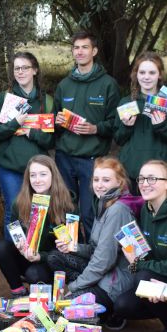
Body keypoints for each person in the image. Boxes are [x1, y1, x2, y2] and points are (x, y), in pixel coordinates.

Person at [111, 160, 167, 332]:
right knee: (123, 306)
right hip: (155, 274)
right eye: (141, 178)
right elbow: (149, 252)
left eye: (152, 178)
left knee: (143, 277)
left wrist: (138, 264)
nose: (144, 183)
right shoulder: (148, 209)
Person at [48, 156, 135, 319]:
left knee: (62, 311)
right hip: (102, 273)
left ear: (119, 183)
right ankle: (88, 293)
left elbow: (104, 260)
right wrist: (74, 248)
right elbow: (97, 249)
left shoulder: (118, 210)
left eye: (106, 180)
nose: (100, 185)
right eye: (96, 179)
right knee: (55, 257)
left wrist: (74, 287)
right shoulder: (104, 203)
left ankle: (109, 312)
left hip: (114, 282)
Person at [54, 31, 120, 237]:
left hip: (92, 159)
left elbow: (116, 123)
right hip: (64, 157)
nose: (80, 52)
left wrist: (96, 128)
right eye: (76, 48)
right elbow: (54, 120)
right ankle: (71, 256)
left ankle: (95, 259)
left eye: (84, 47)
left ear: (94, 51)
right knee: (66, 210)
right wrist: (56, 122)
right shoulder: (64, 85)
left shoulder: (108, 84)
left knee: (90, 212)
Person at [0, 154, 76, 297]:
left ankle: (50, 293)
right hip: (27, 256)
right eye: (33, 175)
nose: (37, 180)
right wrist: (21, 245)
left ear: (53, 175)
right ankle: (18, 291)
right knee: (1, 247)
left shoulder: (67, 205)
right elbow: (14, 228)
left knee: (34, 274)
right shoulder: (20, 202)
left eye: (43, 174)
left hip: (52, 261)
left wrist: (41, 257)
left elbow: (72, 249)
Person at [0, 52, 54, 232]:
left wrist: (30, 132)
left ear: (34, 70)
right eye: (16, 68)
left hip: (38, 171)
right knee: (13, 211)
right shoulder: (4, 99)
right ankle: (12, 256)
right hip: (10, 168)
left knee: (38, 212)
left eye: (25, 67)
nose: (20, 72)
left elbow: (50, 141)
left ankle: (33, 255)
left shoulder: (47, 102)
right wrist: (14, 124)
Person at [114, 52, 167, 191]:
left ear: (159, 75)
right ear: (136, 74)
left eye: (152, 72)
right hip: (131, 173)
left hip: (160, 174)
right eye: (142, 72)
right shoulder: (126, 102)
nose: (146, 77)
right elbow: (118, 139)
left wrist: (162, 126)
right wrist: (127, 127)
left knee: (157, 211)